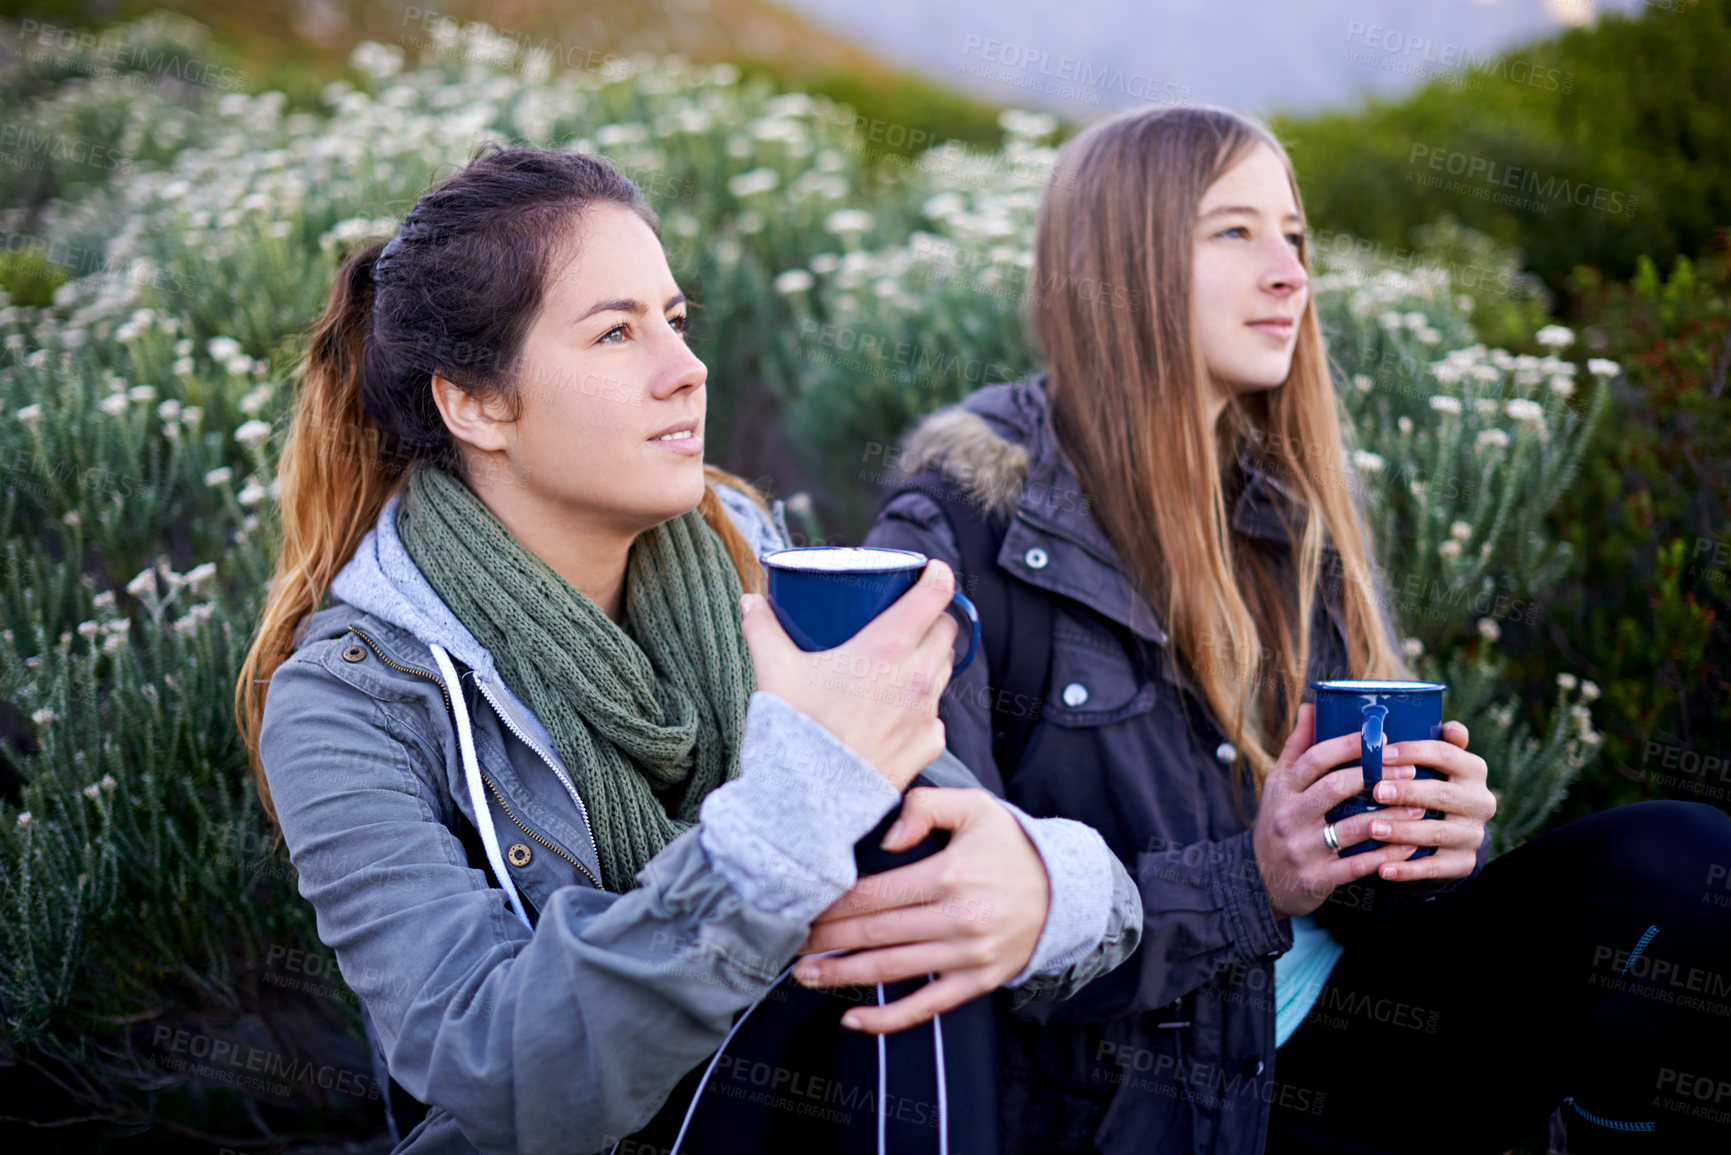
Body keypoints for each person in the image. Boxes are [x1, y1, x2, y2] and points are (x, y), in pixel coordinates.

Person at [235, 143, 1143, 1155]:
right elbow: (497, 1073)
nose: (687, 369)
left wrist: (1048, 887)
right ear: (477, 403)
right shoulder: (348, 700)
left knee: (902, 885)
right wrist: (790, 816)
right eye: (616, 333)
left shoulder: (750, 569)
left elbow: (950, 830)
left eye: (675, 320)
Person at [859, 104, 1731, 1154]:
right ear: (1118, 261)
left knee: (1684, 865)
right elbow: (940, 906)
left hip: (1353, 1022)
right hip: (1147, 1092)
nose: (1289, 273)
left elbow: (1362, 881)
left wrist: (1430, 843)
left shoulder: (1283, 502)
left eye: (1297, 237)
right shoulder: (962, 523)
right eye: (1235, 232)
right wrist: (1248, 882)